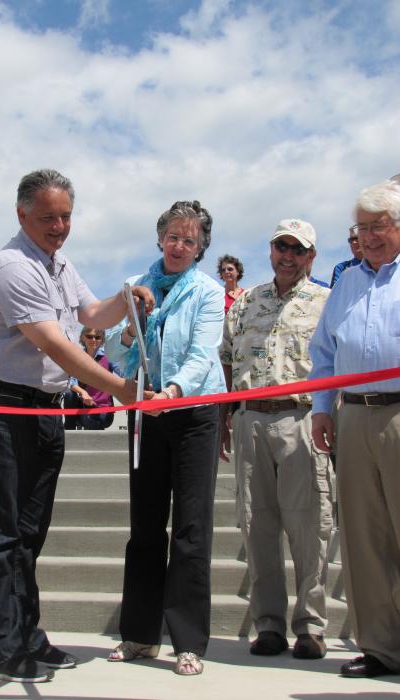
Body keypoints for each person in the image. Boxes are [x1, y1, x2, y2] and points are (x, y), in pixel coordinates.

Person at [0, 168, 154, 684]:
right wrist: (120, 390)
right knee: (1, 531)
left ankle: (27, 633)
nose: (59, 226)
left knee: (30, 531)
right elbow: (54, 343)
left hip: (45, 408)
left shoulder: (59, 263)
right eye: (48, 216)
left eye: (66, 216)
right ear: (21, 213)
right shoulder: (12, 267)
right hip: (4, 409)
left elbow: (93, 313)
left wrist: (130, 296)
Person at [104, 200, 225, 676]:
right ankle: (139, 634)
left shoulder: (208, 291)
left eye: (189, 240)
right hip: (147, 414)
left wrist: (172, 391)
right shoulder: (138, 283)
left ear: (201, 248)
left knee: (192, 529)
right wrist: (132, 324)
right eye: (173, 236)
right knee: (145, 526)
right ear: (160, 239)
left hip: (193, 411)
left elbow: (201, 354)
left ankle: (189, 641)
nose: (179, 245)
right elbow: (115, 351)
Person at [220, 219, 333, 660]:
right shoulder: (246, 302)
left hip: (302, 418)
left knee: (309, 526)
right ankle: (268, 624)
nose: (288, 255)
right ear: (270, 251)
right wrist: (226, 416)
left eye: (297, 249)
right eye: (280, 246)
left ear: (310, 257)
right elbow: (226, 359)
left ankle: (310, 625)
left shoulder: (327, 301)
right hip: (250, 421)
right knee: (257, 525)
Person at [310, 179, 400, 678]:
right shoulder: (345, 283)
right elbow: (324, 353)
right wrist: (322, 408)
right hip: (354, 416)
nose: (368, 237)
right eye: (361, 229)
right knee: (364, 538)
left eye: (379, 227)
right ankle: (382, 647)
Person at [63, 327, 118, 430]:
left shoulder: (109, 356)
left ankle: (84, 423)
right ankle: (69, 429)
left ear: (102, 340)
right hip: (82, 403)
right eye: (89, 336)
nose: (93, 340)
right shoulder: (77, 357)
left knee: (93, 425)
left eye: (97, 337)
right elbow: (70, 381)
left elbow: (122, 371)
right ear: (83, 338)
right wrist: (83, 393)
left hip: (102, 407)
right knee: (69, 394)